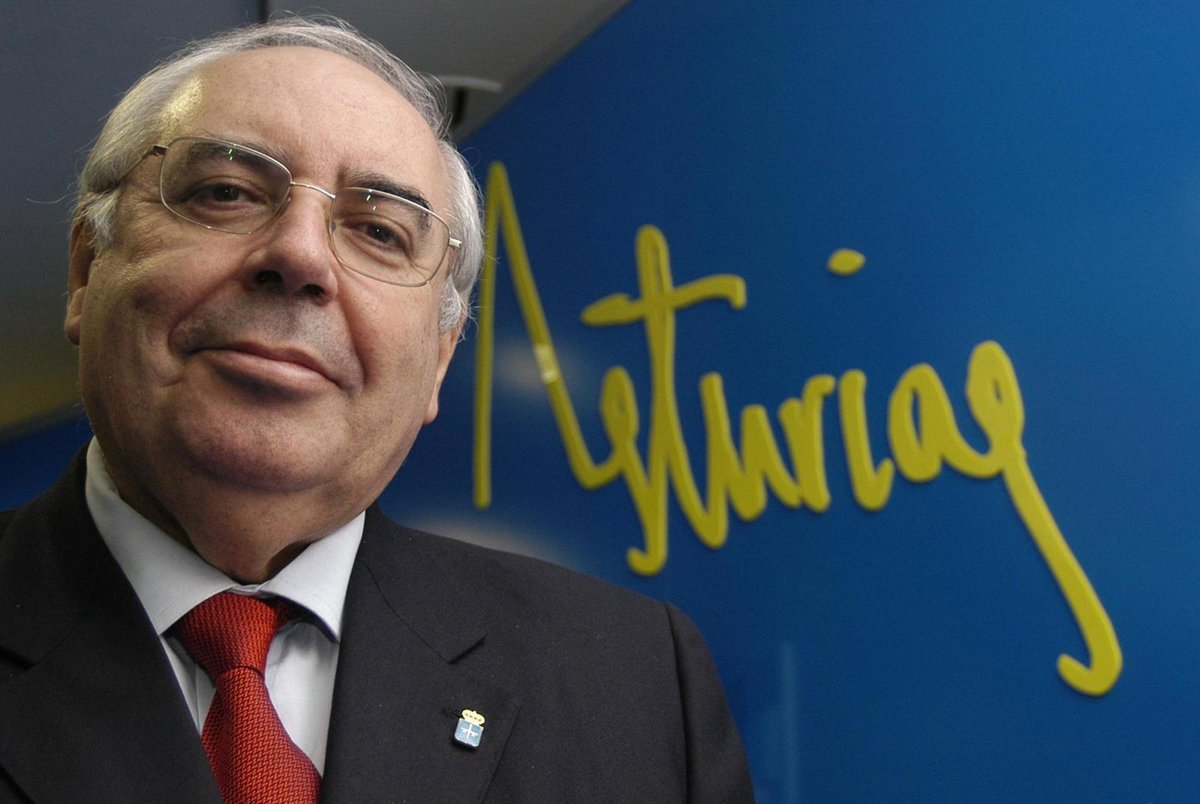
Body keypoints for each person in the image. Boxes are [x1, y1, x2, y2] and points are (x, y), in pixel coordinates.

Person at [0, 16, 753, 803]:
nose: (299, 256)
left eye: (380, 232)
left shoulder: (637, 686)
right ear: (86, 270)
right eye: (226, 192)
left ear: (439, 359)